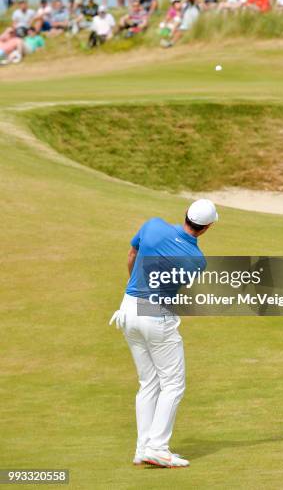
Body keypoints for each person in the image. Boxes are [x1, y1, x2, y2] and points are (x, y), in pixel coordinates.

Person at [109, 199, 218, 468]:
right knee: (173, 384)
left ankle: (142, 448)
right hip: (156, 314)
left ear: (186, 215)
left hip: (127, 308)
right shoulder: (197, 261)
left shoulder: (152, 225)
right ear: (207, 228)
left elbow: (132, 256)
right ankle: (157, 447)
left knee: (149, 382)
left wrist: (133, 290)